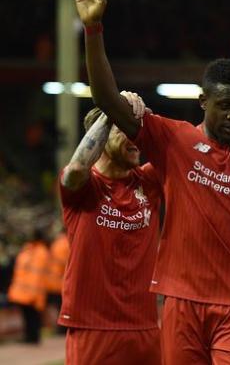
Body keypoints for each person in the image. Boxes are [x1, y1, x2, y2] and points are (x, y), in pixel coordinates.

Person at [72, 0, 230, 364]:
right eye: (225, 106)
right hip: (181, 302)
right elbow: (107, 100)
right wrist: (94, 29)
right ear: (203, 102)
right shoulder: (173, 140)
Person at [59, 103, 164, 364]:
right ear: (102, 136)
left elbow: (192, 146)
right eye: (124, 129)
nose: (135, 138)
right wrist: (111, 108)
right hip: (93, 329)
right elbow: (75, 170)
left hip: (145, 327)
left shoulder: (149, 182)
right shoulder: (85, 186)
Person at [7, 230, 50, 344]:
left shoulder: (35, 252)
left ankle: (33, 337)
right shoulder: (32, 251)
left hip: (30, 292)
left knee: (32, 316)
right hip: (25, 291)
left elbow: (37, 275)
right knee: (29, 316)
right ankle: (30, 336)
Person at [46, 229, 69, 334]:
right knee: (63, 306)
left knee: (56, 306)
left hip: (52, 281)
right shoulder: (67, 243)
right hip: (62, 281)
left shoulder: (55, 244)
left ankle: (58, 328)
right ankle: (63, 328)